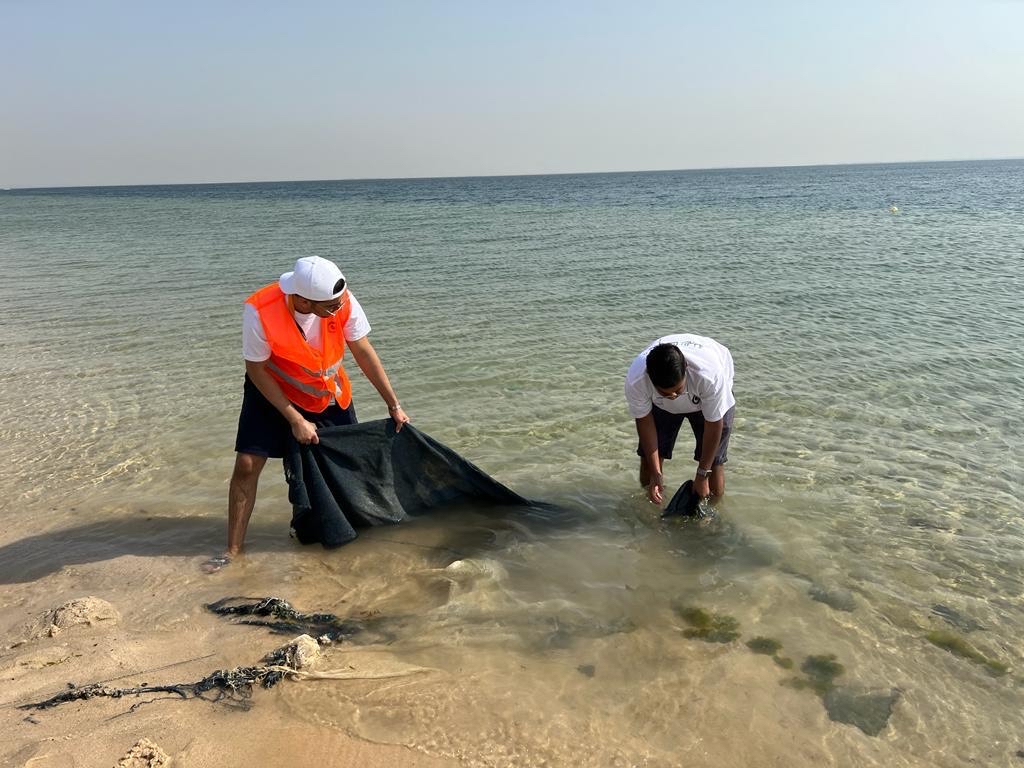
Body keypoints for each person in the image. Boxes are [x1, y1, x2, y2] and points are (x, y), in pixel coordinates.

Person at [205, 256, 409, 571]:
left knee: (346, 466)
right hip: (270, 388)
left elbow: (363, 351)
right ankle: (232, 551)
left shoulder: (342, 300)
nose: (338, 309)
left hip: (324, 393)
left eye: (339, 302)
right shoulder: (259, 310)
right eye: (330, 306)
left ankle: (351, 539)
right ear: (302, 300)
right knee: (246, 465)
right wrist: (295, 420)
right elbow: (257, 370)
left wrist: (393, 404)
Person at [625, 334, 736, 506]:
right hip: (660, 406)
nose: (674, 396)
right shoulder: (637, 380)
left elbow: (714, 426)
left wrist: (702, 474)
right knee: (648, 462)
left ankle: (713, 513)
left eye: (678, 390)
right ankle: (650, 508)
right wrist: (655, 473)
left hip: (706, 399)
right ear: (650, 378)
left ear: (686, 368)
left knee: (713, 464)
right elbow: (645, 423)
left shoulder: (709, 376)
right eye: (665, 393)